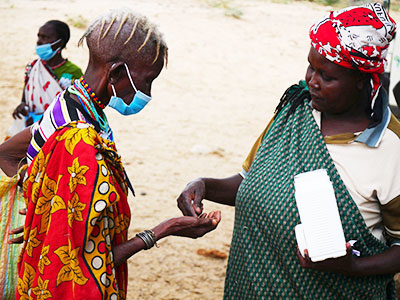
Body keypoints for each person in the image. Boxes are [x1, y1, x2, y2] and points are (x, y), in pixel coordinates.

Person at [177, 3, 400, 299]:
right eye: (311, 67)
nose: (312, 81)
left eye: (327, 77)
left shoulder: (390, 148)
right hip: (251, 288)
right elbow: (251, 182)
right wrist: (203, 185)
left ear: (362, 81)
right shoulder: (294, 112)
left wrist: (353, 266)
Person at [12, 9, 221, 300]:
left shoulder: (69, 104)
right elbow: (88, 264)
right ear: (117, 72)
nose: (147, 91)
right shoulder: (82, 143)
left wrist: (42, 209)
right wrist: (166, 229)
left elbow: (9, 154)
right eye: (147, 80)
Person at [12, 20, 83, 128]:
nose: (39, 42)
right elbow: (25, 100)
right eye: (39, 36)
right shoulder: (32, 67)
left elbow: (78, 108)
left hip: (60, 129)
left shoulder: (73, 72)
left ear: (59, 42)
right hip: (32, 127)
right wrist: (22, 107)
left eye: (45, 37)